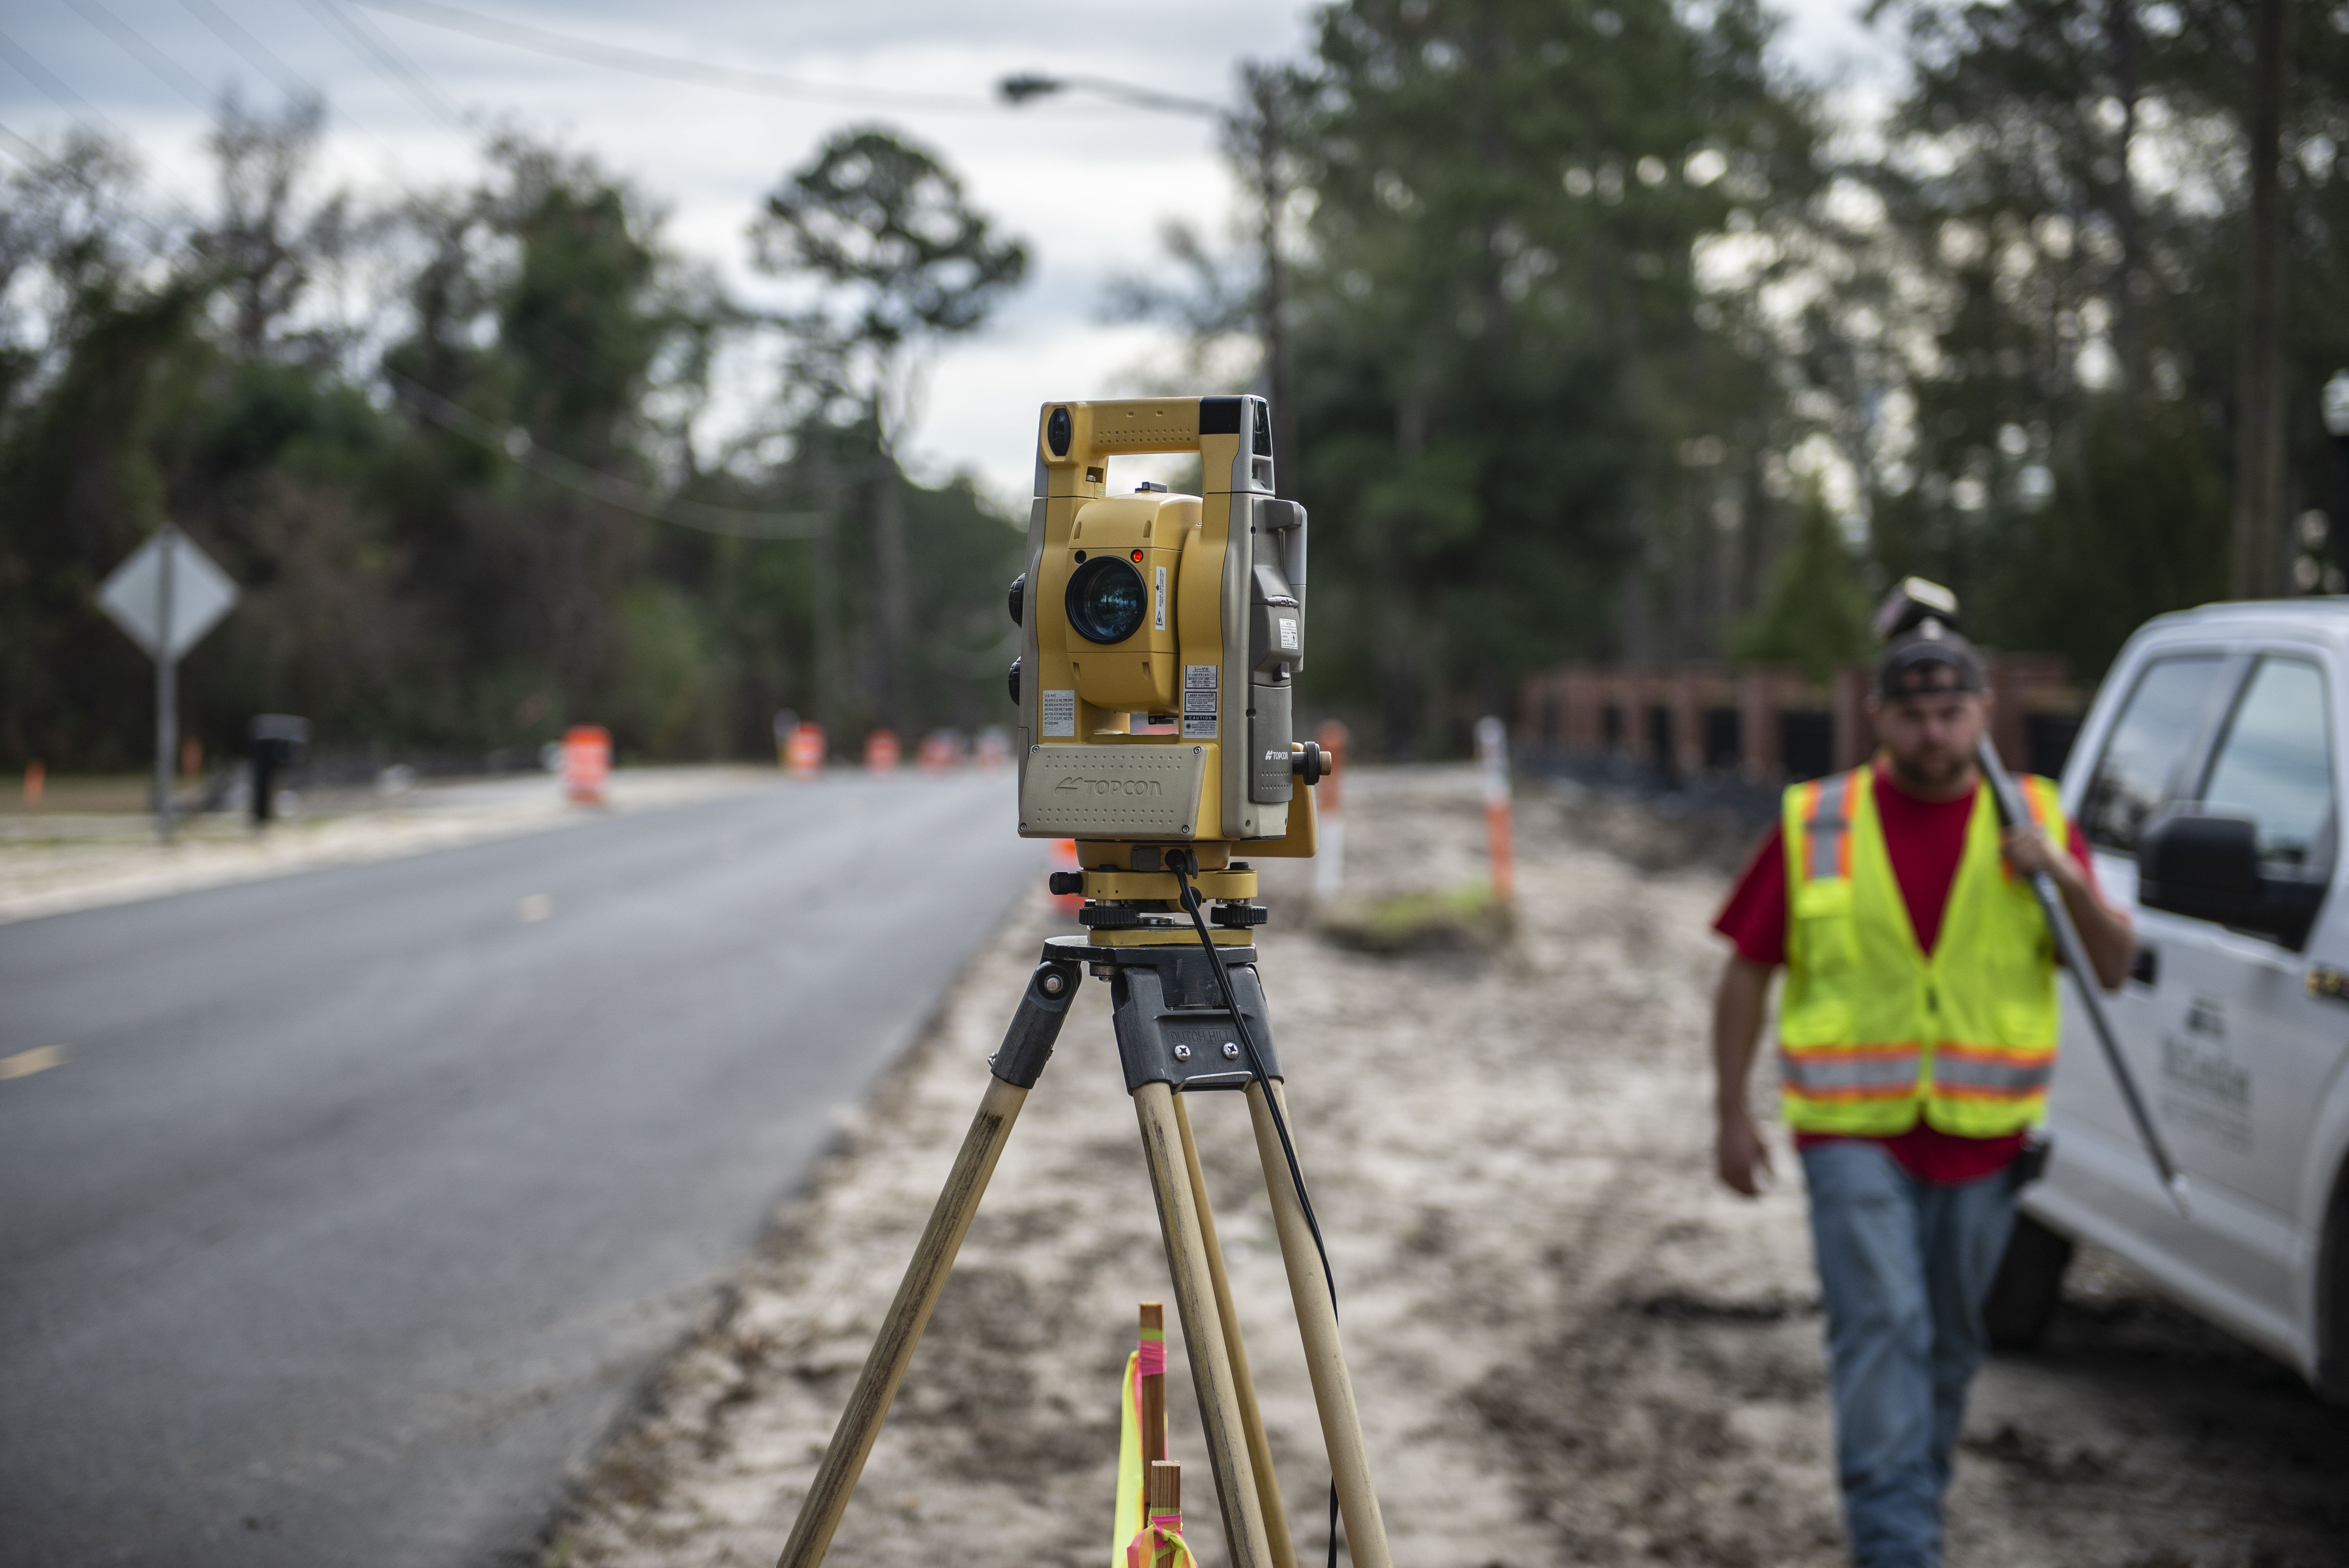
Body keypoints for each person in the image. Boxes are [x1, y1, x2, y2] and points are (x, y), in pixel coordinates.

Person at [1709, 624, 2133, 1568]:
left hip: (1983, 1139)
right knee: (1882, 1327)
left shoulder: (2034, 818)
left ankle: (1909, 1520)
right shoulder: (1818, 820)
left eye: (1950, 712)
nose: (1933, 732)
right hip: (1849, 1133)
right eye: (1912, 714)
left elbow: (2111, 967)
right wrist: (1730, 1113)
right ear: (1876, 717)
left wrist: (2064, 876)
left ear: (1983, 713)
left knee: (1946, 1344)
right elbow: (1745, 969)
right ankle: (1894, 1547)